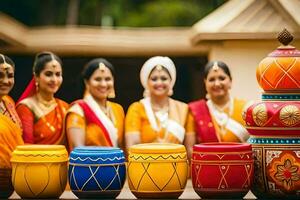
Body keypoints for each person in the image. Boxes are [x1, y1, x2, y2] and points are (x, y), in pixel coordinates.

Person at [125, 56, 195, 156]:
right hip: (145, 166)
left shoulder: (183, 109)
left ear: (171, 81)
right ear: (147, 82)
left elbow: (189, 150)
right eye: (154, 79)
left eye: (164, 78)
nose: (159, 83)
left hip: (176, 167)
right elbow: (132, 147)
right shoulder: (136, 108)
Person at [65, 58, 124, 151]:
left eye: (108, 79)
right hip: (89, 164)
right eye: (97, 79)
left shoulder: (118, 109)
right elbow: (77, 150)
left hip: (117, 164)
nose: (103, 84)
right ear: (87, 82)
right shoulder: (78, 110)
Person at [189, 61, 249, 143]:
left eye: (222, 78)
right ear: (205, 83)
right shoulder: (195, 111)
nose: (217, 84)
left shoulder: (246, 108)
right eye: (211, 80)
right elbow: (191, 149)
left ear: (230, 81)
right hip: (207, 156)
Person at [16, 52, 68, 145]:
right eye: (48, 74)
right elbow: (27, 146)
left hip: (64, 158)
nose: (54, 80)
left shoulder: (64, 107)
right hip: (35, 158)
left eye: (58, 74)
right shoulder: (26, 107)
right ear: (36, 77)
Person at [0, 54, 24, 168]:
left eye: (10, 76)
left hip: (16, 171)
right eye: (0, 75)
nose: (5, 81)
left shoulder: (9, 102)